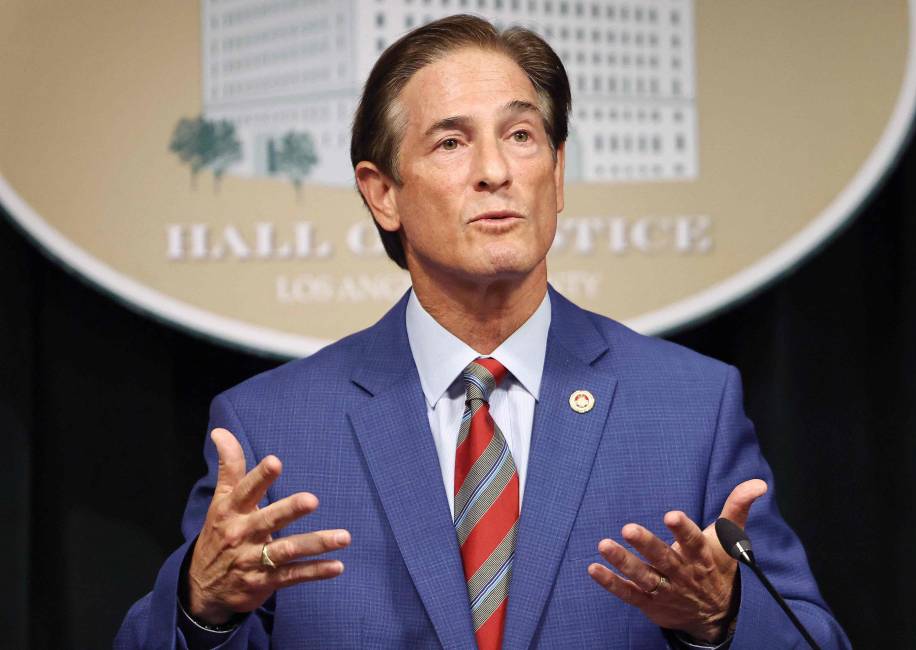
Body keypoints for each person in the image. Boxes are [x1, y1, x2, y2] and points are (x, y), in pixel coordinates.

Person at [116, 15, 849, 649]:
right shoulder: (276, 426)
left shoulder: (688, 408)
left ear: (557, 176)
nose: (495, 170)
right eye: (451, 144)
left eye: (522, 135)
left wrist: (718, 620)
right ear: (382, 193)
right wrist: (202, 608)